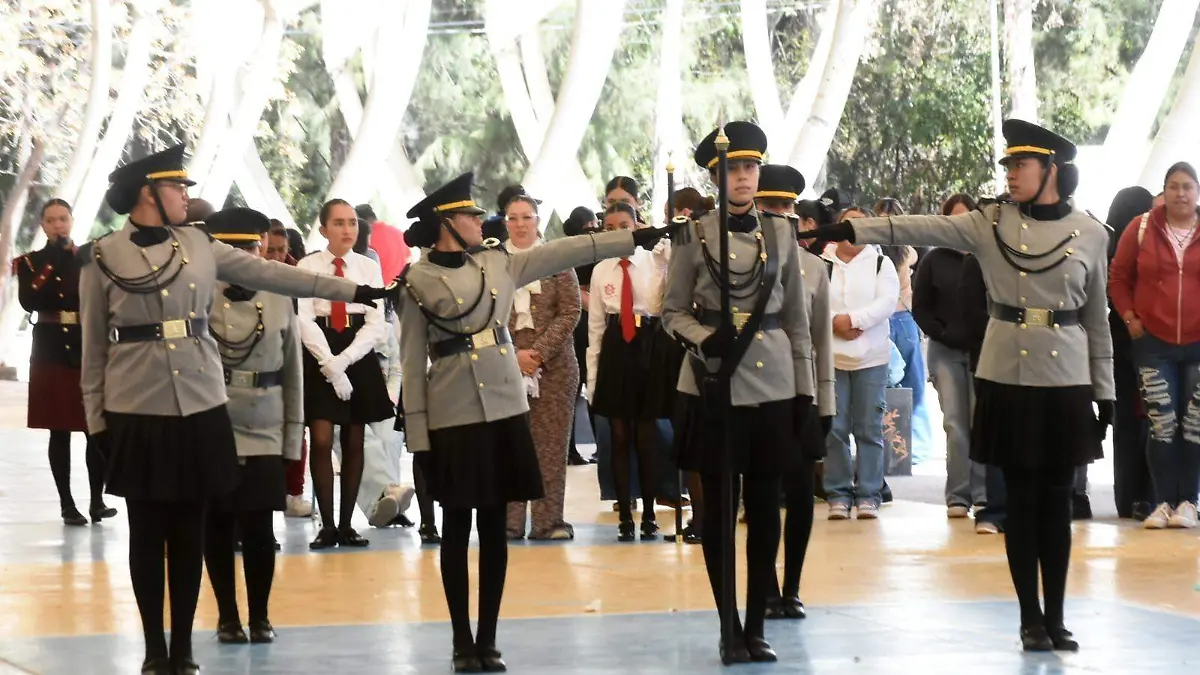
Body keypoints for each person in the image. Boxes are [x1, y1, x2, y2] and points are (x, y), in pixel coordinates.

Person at [798, 120, 1113, 652]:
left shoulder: (1091, 233)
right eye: (1008, 166)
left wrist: (1104, 389)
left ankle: (1057, 616)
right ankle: (1030, 619)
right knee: (1018, 499)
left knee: (1057, 503)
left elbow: (1096, 319)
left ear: (1051, 170)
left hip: (1065, 378)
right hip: (1006, 373)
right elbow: (920, 229)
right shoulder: (987, 224)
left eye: (1021, 165)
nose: (1011, 174)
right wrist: (853, 231)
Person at [79, 145, 391, 675]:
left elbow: (281, 278)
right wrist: (97, 422)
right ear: (147, 194)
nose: (187, 195)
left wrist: (358, 288)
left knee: (190, 532)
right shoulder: (103, 257)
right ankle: (155, 649)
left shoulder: (200, 246)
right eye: (177, 187)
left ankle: (183, 648)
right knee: (147, 533)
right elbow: (94, 350)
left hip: (202, 406)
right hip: (138, 405)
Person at [395, 172, 673, 672]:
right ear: (447, 225)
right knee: (458, 528)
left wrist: (630, 237)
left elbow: (562, 252)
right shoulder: (417, 282)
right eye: (471, 216)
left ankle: (489, 639)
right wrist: (418, 434)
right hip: (453, 409)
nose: (482, 222)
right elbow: (412, 362)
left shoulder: (499, 262)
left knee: (496, 532)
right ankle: (462, 640)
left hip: (503, 406)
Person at [662, 121, 814, 663]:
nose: (744, 177)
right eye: (733, 169)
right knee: (721, 513)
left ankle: (757, 625)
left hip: (773, 384)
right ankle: (728, 626)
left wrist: (806, 393)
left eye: (750, 167)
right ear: (716, 176)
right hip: (714, 384)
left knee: (766, 511)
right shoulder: (693, 235)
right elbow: (671, 312)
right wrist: (707, 338)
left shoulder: (780, 233)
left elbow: (797, 320)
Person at [200, 207, 300, 646]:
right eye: (235, 249)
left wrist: (292, 439)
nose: (246, 256)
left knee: (260, 527)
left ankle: (259, 616)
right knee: (218, 523)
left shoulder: (278, 294)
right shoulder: (199, 295)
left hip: (264, 421)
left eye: (250, 247)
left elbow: (293, 369)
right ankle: (226, 616)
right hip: (215, 423)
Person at [752, 165, 833, 620]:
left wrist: (825, 402)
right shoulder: (735, 259)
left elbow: (820, 341)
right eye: (770, 205)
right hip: (757, 393)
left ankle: (793, 587)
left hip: (801, 395)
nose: (779, 214)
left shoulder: (815, 268)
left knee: (801, 494)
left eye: (787, 207)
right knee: (761, 497)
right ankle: (763, 586)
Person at [296, 199, 395, 549]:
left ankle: (346, 523)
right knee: (321, 439)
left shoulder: (368, 267)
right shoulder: (308, 265)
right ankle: (326, 524)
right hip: (320, 348)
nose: (347, 229)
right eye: (338, 223)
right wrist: (328, 363)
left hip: (358, 351)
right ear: (323, 229)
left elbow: (376, 320)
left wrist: (345, 361)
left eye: (352, 223)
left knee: (355, 441)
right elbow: (303, 317)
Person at [1109, 163, 1200, 529]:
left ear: (1197, 193)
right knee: (1162, 424)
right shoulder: (1142, 228)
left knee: (1194, 425)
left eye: (1188, 187)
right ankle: (1162, 502)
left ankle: (1189, 503)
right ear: (1163, 191)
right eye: (1174, 187)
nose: (1181, 194)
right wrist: (1131, 319)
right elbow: (1118, 277)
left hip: (1198, 344)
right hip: (1153, 345)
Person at [16, 199, 115, 526]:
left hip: (87, 346)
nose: (58, 225)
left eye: (63, 219)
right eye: (51, 220)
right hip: (51, 349)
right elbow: (29, 299)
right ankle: (66, 504)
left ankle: (97, 501)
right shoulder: (31, 262)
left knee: (94, 429)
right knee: (59, 432)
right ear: (42, 225)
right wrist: (54, 260)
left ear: (72, 220)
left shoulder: (88, 258)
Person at [587, 202, 672, 541]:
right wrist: (592, 379)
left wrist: (667, 267)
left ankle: (650, 512)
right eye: (610, 227)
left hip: (647, 345)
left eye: (625, 224)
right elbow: (594, 328)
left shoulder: (653, 262)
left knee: (646, 435)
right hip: (615, 350)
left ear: (638, 224)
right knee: (619, 436)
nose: (618, 231)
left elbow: (660, 305)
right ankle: (625, 512)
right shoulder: (601, 269)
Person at [501, 194, 582, 541]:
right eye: (513, 218)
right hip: (504, 365)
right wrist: (513, 355)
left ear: (537, 221)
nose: (520, 224)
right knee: (510, 445)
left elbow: (571, 310)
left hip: (555, 368)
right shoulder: (493, 262)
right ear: (505, 222)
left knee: (550, 446)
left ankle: (549, 521)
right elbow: (485, 314)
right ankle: (509, 522)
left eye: (526, 217)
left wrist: (538, 353)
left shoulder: (557, 260)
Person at [912, 193, 992, 529]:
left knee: (981, 422)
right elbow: (921, 307)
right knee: (956, 424)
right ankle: (958, 495)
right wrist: (941, 332)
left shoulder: (988, 257)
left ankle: (985, 494)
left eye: (967, 218)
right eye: (954, 219)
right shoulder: (933, 259)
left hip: (983, 351)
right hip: (945, 352)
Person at [1101, 186, 1155, 521]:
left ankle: (1126, 499)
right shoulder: (1148, 247)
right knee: (1152, 421)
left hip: (1117, 347)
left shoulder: (1104, 248)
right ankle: (1147, 496)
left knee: (1125, 426)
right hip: (1148, 346)